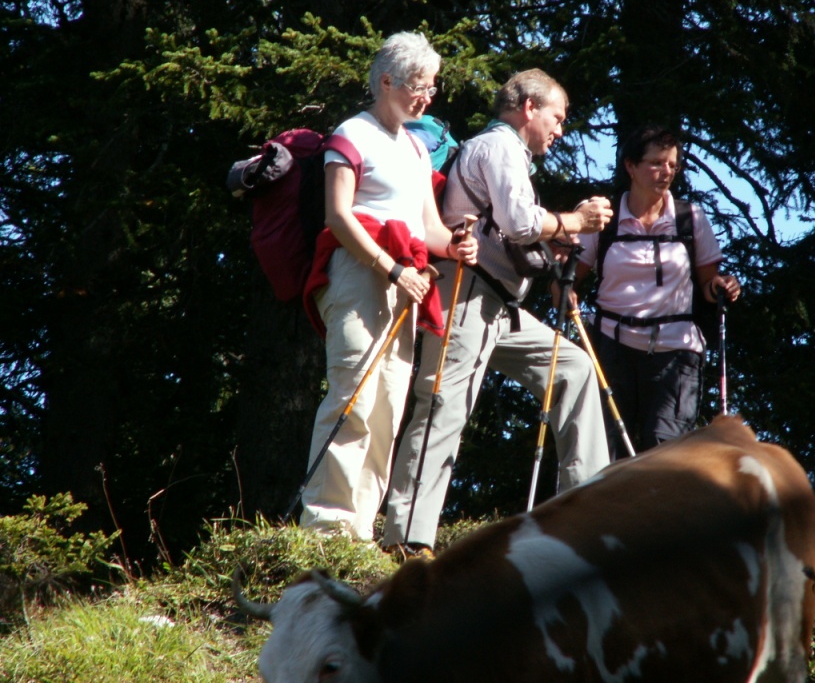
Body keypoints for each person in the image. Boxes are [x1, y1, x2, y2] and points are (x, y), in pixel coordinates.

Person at [382, 69, 614, 557]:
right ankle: (407, 539)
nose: (560, 129)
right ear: (529, 107)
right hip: (466, 293)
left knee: (573, 369)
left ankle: (586, 515)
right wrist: (575, 220)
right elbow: (520, 222)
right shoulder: (498, 146)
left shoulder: (510, 155)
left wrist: (559, 234)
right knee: (443, 404)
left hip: (498, 306)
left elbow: (514, 229)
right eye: (557, 117)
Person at [299, 31, 478, 540]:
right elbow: (338, 216)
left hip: (404, 283)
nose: (427, 98)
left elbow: (429, 229)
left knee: (387, 411)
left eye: (431, 87)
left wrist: (455, 246)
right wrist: (391, 268)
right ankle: (324, 529)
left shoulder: (416, 148)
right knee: (353, 397)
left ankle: (357, 535)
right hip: (360, 274)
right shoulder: (352, 134)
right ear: (386, 81)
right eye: (420, 86)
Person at [574, 124, 741, 459]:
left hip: (676, 352)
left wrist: (721, 286)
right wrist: (565, 295)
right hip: (611, 349)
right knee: (607, 451)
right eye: (656, 163)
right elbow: (569, 279)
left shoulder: (690, 218)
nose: (666, 172)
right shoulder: (604, 219)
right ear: (630, 166)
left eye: (672, 165)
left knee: (665, 452)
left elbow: (708, 284)